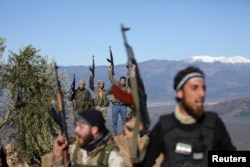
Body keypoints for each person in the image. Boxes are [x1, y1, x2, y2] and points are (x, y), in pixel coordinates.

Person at [125, 66, 236, 167]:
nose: (201, 93)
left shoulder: (213, 123)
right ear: (180, 92)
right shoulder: (165, 126)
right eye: (194, 87)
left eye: (203, 88)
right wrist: (131, 139)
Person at [49, 109, 125, 167]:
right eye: (76, 126)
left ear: (94, 130)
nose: (76, 130)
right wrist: (58, 156)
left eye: (81, 127)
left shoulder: (112, 157)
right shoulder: (76, 150)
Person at [108, 65, 131, 136]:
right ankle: (114, 132)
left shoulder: (127, 88)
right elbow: (111, 78)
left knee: (124, 120)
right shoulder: (116, 85)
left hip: (123, 106)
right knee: (114, 120)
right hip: (115, 105)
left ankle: (124, 131)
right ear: (120, 81)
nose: (123, 82)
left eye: (124, 81)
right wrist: (110, 71)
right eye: (122, 81)